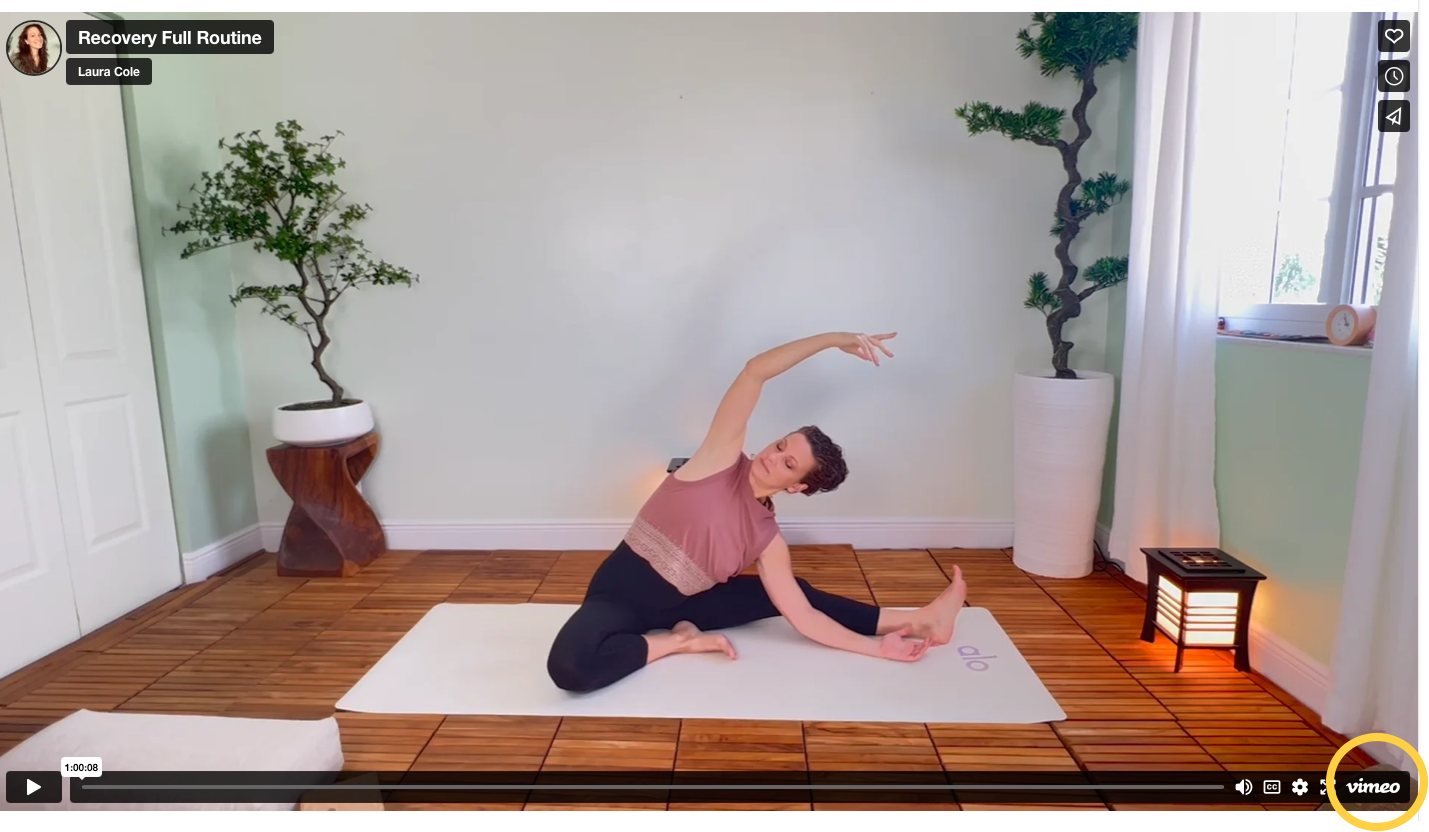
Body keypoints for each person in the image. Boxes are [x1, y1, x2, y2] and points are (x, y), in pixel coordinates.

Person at [546, 330, 967, 693]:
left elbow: (804, 618)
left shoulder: (768, 538)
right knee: (568, 667)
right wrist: (834, 340)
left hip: (686, 606)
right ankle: (679, 644)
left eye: (788, 463)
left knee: (792, 591)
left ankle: (918, 621)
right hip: (619, 598)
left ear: (797, 486)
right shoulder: (719, 459)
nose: (773, 456)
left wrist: (877, 649)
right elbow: (755, 371)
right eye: (782, 445)